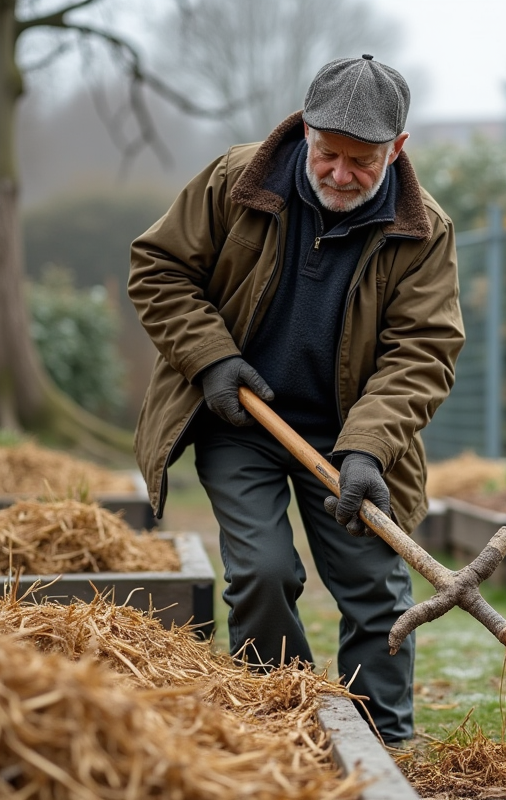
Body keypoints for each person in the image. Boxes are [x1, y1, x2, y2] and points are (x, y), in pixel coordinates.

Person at [128, 55, 464, 744]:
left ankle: (384, 743)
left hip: (349, 438)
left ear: (397, 149)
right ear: (306, 129)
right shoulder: (235, 181)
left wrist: (369, 447)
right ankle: (278, 723)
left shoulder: (422, 229)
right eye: (328, 153)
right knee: (262, 571)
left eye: (362, 161)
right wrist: (212, 358)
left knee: (373, 588)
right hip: (240, 415)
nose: (340, 174)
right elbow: (158, 268)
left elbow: (422, 351)